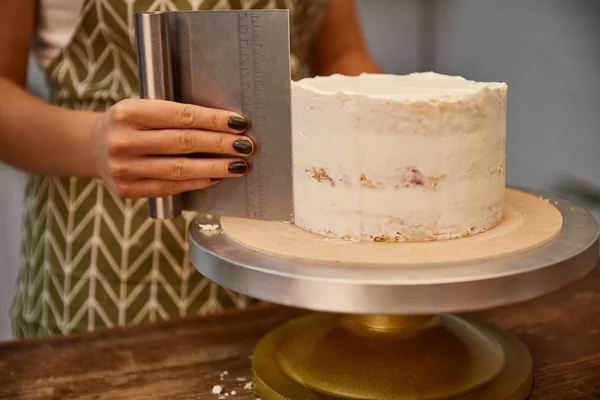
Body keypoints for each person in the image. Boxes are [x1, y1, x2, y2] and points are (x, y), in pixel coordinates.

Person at [0, 0, 381, 338]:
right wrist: (93, 144)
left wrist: (397, 112)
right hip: (105, 267)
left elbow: (341, 55)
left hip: (285, 255)